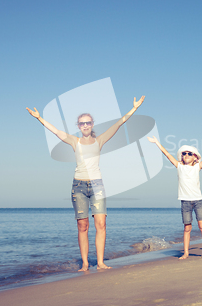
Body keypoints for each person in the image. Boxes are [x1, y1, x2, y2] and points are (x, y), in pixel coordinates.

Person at [26, 96, 145, 271]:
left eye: (88, 123)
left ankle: (101, 262)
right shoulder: (75, 141)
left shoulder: (100, 140)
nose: (85, 126)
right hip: (79, 186)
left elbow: (119, 124)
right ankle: (85, 264)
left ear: (92, 124)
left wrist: (134, 108)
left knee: (101, 224)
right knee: (83, 226)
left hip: (97, 185)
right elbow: (56, 131)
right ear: (78, 126)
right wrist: (39, 118)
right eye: (82, 123)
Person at [147, 136, 202, 259]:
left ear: (195, 157)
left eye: (189, 153)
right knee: (187, 228)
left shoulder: (197, 167)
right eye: (184, 153)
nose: (186, 155)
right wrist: (156, 142)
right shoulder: (179, 167)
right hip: (185, 201)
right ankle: (185, 252)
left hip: (198, 200)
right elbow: (167, 154)